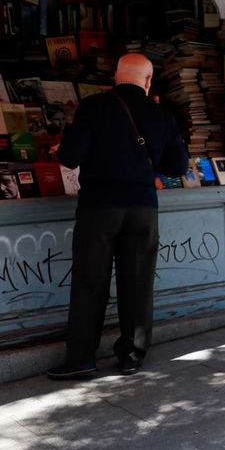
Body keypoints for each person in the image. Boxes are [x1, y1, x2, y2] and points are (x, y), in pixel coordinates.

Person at [47, 53, 189, 379]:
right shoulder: (161, 114)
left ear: (115, 75)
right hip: (142, 208)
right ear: (148, 80)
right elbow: (177, 167)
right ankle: (131, 356)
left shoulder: (93, 108)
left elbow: (70, 158)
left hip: (100, 206)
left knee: (89, 282)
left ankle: (82, 358)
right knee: (138, 284)